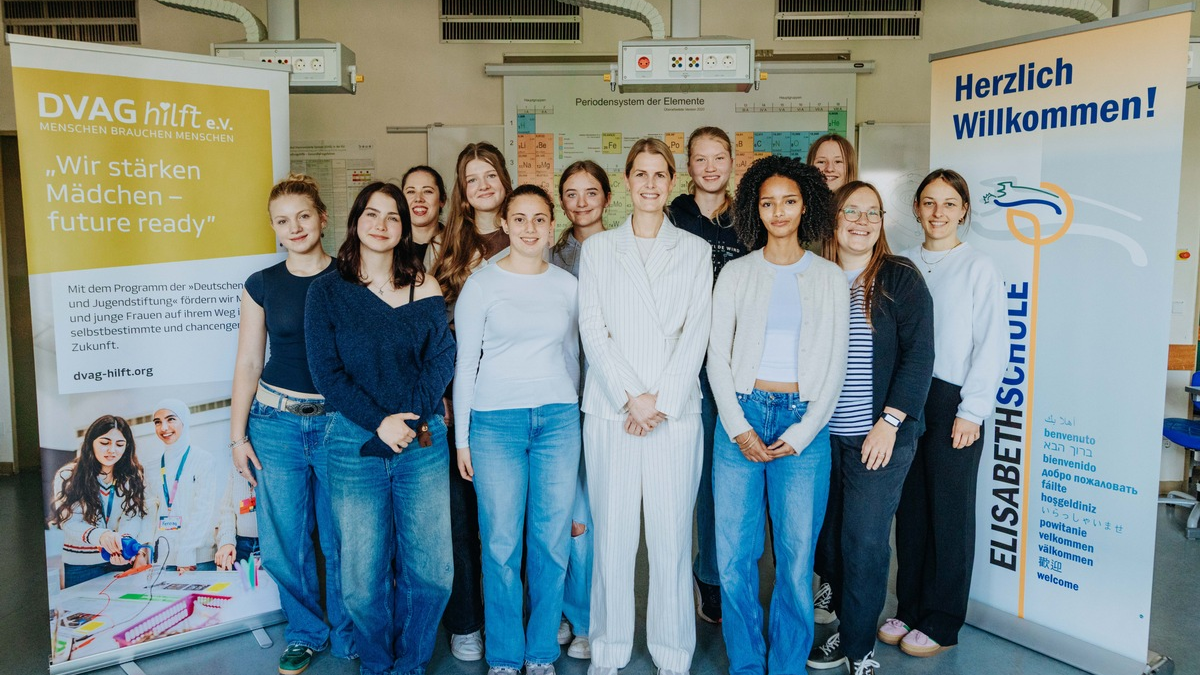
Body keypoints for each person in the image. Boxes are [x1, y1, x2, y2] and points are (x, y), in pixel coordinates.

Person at [306, 181, 456, 675]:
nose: (382, 224)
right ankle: (375, 663)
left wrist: (407, 419)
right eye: (372, 214)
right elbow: (327, 374)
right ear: (356, 221)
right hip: (354, 440)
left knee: (432, 573)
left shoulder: (423, 285)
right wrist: (379, 422)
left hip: (421, 439)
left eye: (393, 217)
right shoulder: (327, 291)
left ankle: (410, 663)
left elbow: (442, 357)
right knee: (361, 579)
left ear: (404, 228)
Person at [706, 155, 847, 675]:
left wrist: (804, 433)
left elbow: (835, 365)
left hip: (802, 423)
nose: (779, 211)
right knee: (734, 558)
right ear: (755, 209)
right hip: (742, 415)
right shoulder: (737, 273)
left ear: (805, 205)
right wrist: (738, 428)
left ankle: (786, 665)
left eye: (789, 201)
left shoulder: (830, 277)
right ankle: (747, 664)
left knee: (795, 559)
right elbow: (716, 357)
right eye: (768, 203)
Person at [578, 138, 712, 675]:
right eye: (641, 174)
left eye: (660, 175)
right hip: (613, 411)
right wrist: (631, 397)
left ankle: (673, 653)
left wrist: (660, 400)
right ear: (627, 180)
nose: (651, 184)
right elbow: (593, 329)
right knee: (613, 538)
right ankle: (608, 649)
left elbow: (697, 331)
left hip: (674, 415)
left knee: (671, 537)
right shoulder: (599, 249)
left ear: (673, 182)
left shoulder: (695, 250)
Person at [807, 182, 934, 675]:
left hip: (878, 439)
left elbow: (919, 356)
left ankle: (858, 648)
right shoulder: (815, 274)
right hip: (820, 436)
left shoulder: (900, 277)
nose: (861, 221)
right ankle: (844, 614)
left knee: (863, 543)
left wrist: (890, 423)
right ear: (833, 219)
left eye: (872, 213)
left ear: (882, 222)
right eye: (851, 211)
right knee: (828, 539)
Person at [228, 173, 354, 675]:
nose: (294, 227)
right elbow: (248, 362)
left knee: (345, 537)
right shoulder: (261, 284)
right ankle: (304, 632)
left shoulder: (351, 277)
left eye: (303, 216)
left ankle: (348, 632)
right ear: (274, 228)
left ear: (322, 217)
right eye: (282, 221)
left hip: (339, 424)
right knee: (285, 542)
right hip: (275, 424)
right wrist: (237, 437)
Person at [454, 184, 581, 675]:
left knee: (551, 543)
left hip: (558, 421)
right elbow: (466, 365)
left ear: (552, 226)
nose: (530, 228)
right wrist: (462, 439)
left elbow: (572, 357)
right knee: (501, 544)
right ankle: (506, 656)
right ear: (504, 225)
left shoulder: (567, 286)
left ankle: (541, 652)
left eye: (540, 219)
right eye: (520, 219)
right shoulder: (481, 284)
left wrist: (572, 411)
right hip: (495, 425)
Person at [883, 169, 1006, 657]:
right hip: (907, 398)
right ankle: (910, 607)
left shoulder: (978, 267)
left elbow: (992, 345)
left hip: (954, 401)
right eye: (929, 203)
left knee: (950, 513)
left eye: (949, 203)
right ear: (916, 208)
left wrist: (972, 410)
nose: (938, 213)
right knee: (911, 510)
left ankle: (943, 619)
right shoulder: (901, 263)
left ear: (964, 210)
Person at [432, 142, 514, 662]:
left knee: (512, 519)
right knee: (461, 517)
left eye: (490, 175)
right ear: (462, 192)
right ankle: (466, 622)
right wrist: (443, 394)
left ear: (504, 179)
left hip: (517, 398)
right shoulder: (448, 250)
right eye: (472, 179)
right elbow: (438, 333)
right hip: (463, 398)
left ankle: (521, 615)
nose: (483, 185)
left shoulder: (528, 232)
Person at [668, 126, 753, 624]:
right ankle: (710, 575)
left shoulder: (750, 218)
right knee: (700, 476)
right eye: (700, 159)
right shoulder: (672, 218)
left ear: (731, 162)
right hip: (689, 365)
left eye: (718, 157)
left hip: (742, 362)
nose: (710, 167)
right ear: (689, 165)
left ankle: (736, 569)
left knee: (738, 469)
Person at [550, 160, 612, 660]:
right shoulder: (549, 257)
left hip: (613, 400)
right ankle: (570, 614)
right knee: (570, 518)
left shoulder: (624, 250)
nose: (582, 202)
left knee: (602, 519)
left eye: (591, 192)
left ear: (607, 198)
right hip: (563, 399)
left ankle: (595, 616)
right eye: (571, 193)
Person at [50, 415, 149, 588]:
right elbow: (70, 522)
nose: (112, 450)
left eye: (120, 445)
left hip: (119, 560)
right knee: (83, 606)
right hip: (81, 565)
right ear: (91, 442)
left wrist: (122, 543)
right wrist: (102, 537)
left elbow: (133, 517)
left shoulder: (131, 477)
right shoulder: (68, 475)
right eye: (105, 442)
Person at [144, 399, 222, 572]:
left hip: (198, 559)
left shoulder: (203, 459)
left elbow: (204, 510)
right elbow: (149, 513)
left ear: (184, 421)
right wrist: (145, 550)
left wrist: (186, 552)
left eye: (171, 419)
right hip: (163, 559)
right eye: (157, 422)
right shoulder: (152, 466)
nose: (164, 427)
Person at [402, 165, 447, 270]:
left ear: (442, 200)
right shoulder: (391, 246)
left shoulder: (458, 246)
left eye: (427, 191)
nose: (418, 199)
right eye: (411, 191)